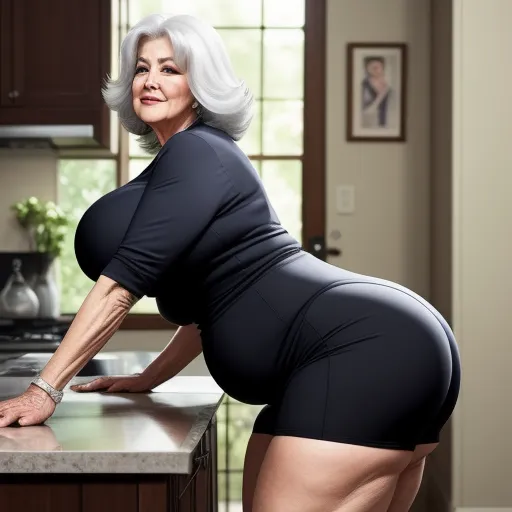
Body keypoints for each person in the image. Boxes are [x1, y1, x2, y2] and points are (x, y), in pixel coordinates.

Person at [0, 13, 460, 512]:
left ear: (200, 87)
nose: (151, 80)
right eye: (142, 68)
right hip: (378, 347)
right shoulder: (188, 159)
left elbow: (121, 286)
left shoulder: (197, 151)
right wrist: (151, 376)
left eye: (171, 69)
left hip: (364, 349)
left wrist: (46, 388)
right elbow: (215, 298)